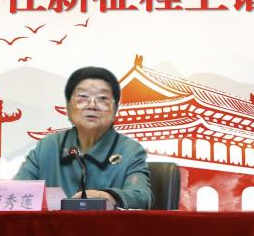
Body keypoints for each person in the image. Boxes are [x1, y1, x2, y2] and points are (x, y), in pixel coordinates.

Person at [14, 66, 152, 209]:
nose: (92, 106)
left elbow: (141, 196)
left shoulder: (130, 151)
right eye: (83, 97)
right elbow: (16, 193)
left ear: (115, 108)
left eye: (102, 99)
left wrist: (107, 197)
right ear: (68, 107)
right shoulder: (47, 147)